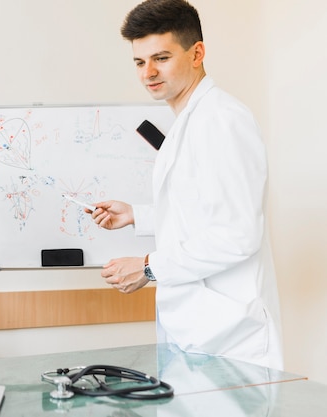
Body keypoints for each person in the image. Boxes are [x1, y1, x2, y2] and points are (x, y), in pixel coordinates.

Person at [89, 0, 283, 369]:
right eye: (139, 61)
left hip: (231, 339)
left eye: (161, 58)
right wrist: (138, 215)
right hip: (198, 333)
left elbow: (237, 233)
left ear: (197, 53)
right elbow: (199, 209)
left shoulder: (222, 121)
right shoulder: (190, 122)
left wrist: (148, 267)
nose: (148, 72)